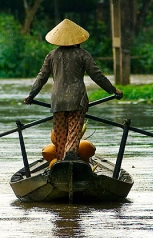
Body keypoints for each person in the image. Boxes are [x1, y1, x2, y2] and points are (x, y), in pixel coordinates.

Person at [24, 18, 123, 161]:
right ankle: (70, 154)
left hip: (57, 100)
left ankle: (59, 161)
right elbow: (97, 76)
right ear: (78, 40)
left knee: (59, 134)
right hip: (77, 100)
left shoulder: (51, 56)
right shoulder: (82, 54)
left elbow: (41, 78)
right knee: (74, 130)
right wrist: (113, 90)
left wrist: (31, 95)